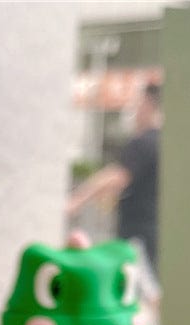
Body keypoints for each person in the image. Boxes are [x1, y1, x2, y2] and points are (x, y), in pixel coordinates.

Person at [66, 83, 163, 284]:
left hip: (138, 235)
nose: (135, 111)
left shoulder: (144, 142)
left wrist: (77, 200)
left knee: (141, 288)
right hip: (153, 230)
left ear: (148, 104)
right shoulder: (164, 143)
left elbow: (118, 176)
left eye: (138, 104)